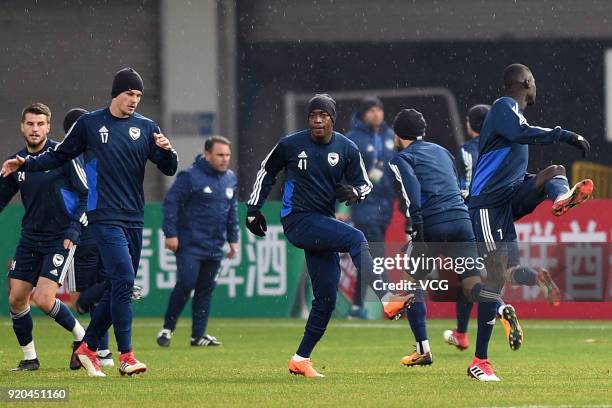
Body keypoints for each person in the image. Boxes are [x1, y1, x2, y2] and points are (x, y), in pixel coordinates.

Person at [1, 68, 178, 377]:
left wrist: (168, 151)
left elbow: (168, 168)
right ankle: (126, 355)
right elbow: (58, 155)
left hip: (134, 218)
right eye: (129, 94)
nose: (134, 100)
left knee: (117, 287)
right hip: (103, 216)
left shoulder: (146, 127)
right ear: (115, 93)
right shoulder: (90, 124)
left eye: (138, 95)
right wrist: (27, 163)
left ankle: (87, 347)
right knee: (123, 279)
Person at [245, 94, 411, 378]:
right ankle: (386, 296)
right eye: (313, 116)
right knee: (356, 238)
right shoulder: (290, 144)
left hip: (322, 223)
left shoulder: (346, 148)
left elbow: (365, 184)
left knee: (325, 300)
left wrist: (355, 192)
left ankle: (300, 358)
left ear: (332, 119)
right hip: (298, 219)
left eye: (323, 115)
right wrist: (252, 210)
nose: (317, 120)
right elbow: (266, 172)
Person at [467, 64, 593, 352]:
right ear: (525, 82)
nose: (536, 86)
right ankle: (481, 358)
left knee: (555, 171)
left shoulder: (514, 113)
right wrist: (565, 135)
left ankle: (560, 199)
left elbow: (516, 147)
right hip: (487, 204)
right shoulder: (503, 107)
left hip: (508, 196)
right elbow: (520, 133)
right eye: (534, 81)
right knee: (502, 276)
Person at [389, 108, 518, 381]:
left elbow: (411, 187)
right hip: (462, 220)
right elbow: (455, 185)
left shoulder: (401, 158)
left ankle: (423, 349)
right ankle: (495, 315)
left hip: (433, 224)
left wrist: (417, 224)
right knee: (472, 284)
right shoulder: (443, 152)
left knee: (410, 282)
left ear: (398, 134)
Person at [0, 103, 88, 371]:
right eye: (30, 124)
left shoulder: (63, 154)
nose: (35, 129)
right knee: (16, 298)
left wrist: (74, 228)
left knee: (43, 299)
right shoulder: (17, 161)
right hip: (30, 238)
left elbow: (86, 194)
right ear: (22, 127)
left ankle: (82, 338)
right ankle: (30, 358)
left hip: (60, 237)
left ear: (48, 126)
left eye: (40, 124)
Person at [157, 136, 238, 347]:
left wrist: (233, 240)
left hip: (215, 246)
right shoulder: (190, 176)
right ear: (207, 154)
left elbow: (232, 213)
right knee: (186, 283)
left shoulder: (230, 178)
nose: (224, 159)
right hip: (190, 244)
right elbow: (171, 203)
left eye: (227, 155)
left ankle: (198, 335)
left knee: (205, 289)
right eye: (220, 155)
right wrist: (170, 233)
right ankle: (167, 329)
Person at [60, 108, 114, 370]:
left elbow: (71, 198)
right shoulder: (102, 153)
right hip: (110, 225)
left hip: (87, 228)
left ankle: (95, 346)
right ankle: (101, 350)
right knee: (101, 287)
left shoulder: (67, 157)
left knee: (88, 294)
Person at [344, 96, 396, 319]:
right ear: (363, 114)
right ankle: (391, 302)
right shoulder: (352, 138)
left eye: (379, 109)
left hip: (385, 204)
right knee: (376, 254)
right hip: (364, 204)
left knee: (367, 257)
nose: (376, 114)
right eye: (371, 110)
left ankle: (356, 308)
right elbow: (343, 171)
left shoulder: (390, 136)